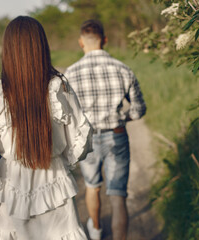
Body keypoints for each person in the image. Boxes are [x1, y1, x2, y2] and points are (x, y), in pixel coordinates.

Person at [0, 16, 93, 240]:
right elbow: (81, 141)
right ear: (41, 47)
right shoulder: (59, 88)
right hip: (56, 193)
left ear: (8, 50)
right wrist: (58, 160)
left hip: (10, 200)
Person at [64, 20, 146, 240]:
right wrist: (121, 118)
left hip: (87, 139)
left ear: (81, 42)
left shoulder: (71, 73)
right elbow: (139, 110)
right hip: (116, 136)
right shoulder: (123, 69)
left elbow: (66, 115)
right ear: (105, 40)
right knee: (118, 195)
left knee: (92, 187)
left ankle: (97, 230)